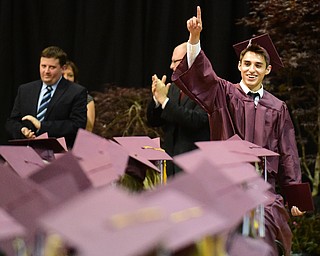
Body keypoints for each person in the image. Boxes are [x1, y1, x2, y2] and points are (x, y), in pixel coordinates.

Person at [166, 6, 303, 256]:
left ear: (267, 70)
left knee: (266, 235)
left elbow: (289, 153)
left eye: (258, 65)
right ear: (239, 66)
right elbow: (203, 76)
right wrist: (194, 39)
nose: (252, 69)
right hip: (224, 188)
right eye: (247, 63)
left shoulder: (277, 107)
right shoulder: (225, 93)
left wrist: (295, 195)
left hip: (264, 192)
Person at [147, 42, 210, 177]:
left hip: (194, 167)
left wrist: (165, 101)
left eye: (175, 61)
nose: (171, 66)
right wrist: (157, 100)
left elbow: (196, 120)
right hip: (171, 164)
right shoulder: (174, 87)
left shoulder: (207, 87)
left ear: (190, 61)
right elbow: (154, 121)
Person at [6, 46, 87, 148]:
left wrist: (42, 126)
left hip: (59, 153)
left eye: (52, 67)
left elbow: (77, 126)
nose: (46, 71)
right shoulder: (25, 90)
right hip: (27, 151)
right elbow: (12, 121)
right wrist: (22, 130)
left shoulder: (76, 92)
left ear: (63, 68)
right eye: (43, 66)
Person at [63, 60, 96, 132]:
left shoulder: (86, 98)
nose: (66, 78)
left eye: (70, 75)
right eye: (63, 75)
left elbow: (88, 129)